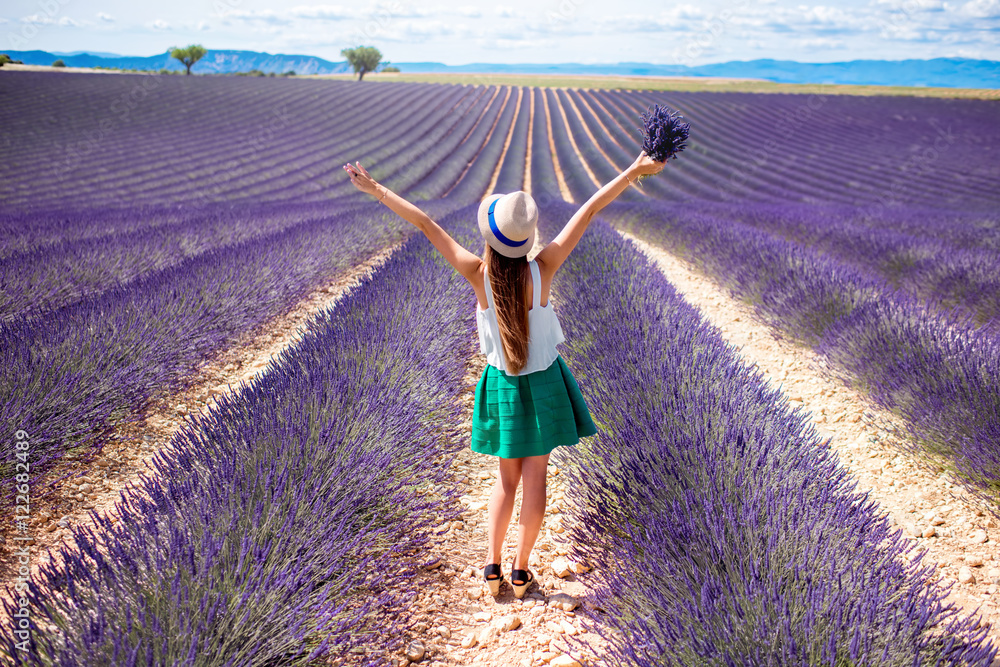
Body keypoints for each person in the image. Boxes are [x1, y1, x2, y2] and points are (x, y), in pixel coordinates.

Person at [344, 150, 666, 599]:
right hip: (546, 385)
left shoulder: (477, 274)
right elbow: (589, 208)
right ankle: (521, 571)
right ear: (527, 238)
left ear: (491, 238)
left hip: (503, 386)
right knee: (537, 480)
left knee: (505, 482)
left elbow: (425, 225)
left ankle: (491, 567)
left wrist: (376, 189)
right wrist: (633, 171)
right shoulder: (545, 267)